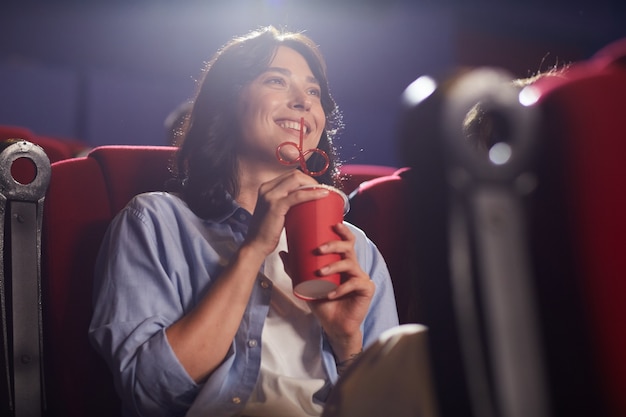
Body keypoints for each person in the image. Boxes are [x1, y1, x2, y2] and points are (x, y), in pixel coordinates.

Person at [89, 26, 399, 417]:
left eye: (314, 91)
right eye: (276, 81)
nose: (303, 101)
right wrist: (253, 250)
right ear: (226, 103)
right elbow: (149, 392)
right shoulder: (155, 222)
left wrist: (348, 343)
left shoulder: (357, 249)